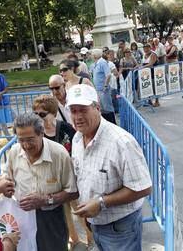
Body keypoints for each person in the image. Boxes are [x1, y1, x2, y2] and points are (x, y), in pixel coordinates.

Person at [66, 84, 152, 251]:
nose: (77, 117)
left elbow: (143, 187)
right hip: (94, 224)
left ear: (97, 108)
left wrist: (101, 202)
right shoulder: (77, 138)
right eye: (73, 111)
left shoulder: (121, 142)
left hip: (121, 229)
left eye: (83, 110)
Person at [7, 113, 78, 251]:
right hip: (22, 217)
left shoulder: (59, 154)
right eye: (21, 140)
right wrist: (4, 184)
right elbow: (7, 178)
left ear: (41, 134)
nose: (26, 145)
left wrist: (46, 200)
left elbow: (73, 192)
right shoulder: (14, 151)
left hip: (51, 219)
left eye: (30, 139)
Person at [32, 95, 94, 249]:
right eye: (35, 114)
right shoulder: (36, 134)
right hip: (52, 182)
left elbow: (81, 147)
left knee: (81, 210)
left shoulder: (66, 128)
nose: (38, 118)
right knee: (65, 215)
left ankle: (91, 240)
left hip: (72, 178)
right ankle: (73, 240)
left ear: (53, 113)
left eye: (42, 114)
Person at [91, 49, 116, 124]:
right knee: (103, 108)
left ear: (95, 55)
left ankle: (112, 123)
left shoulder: (102, 62)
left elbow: (108, 75)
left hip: (103, 89)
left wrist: (105, 85)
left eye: (92, 54)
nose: (91, 56)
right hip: (99, 89)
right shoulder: (97, 63)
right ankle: (107, 124)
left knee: (107, 108)